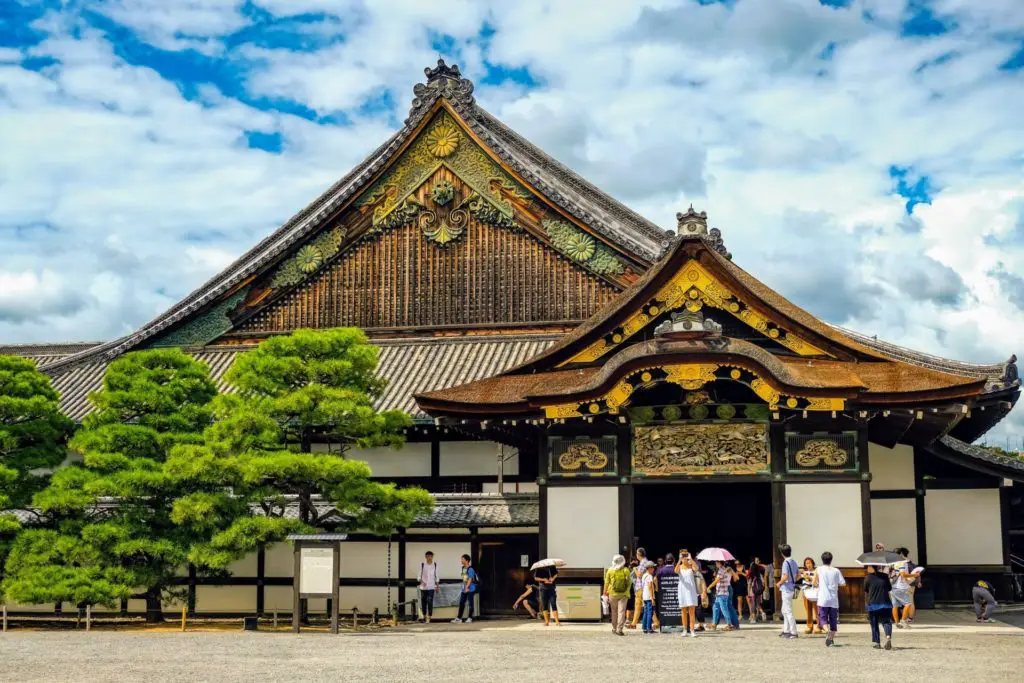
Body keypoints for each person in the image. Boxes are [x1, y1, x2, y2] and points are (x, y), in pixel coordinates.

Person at [812, 551, 846, 647]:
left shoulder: (819, 569)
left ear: (822, 560)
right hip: (834, 600)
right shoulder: (836, 571)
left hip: (823, 598)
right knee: (833, 620)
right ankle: (830, 638)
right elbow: (843, 583)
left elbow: (814, 582)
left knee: (823, 618)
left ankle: (827, 632)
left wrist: (818, 583)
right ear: (831, 560)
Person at [864, 565, 893, 650]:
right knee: (887, 621)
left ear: (871, 567)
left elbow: (866, 590)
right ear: (879, 567)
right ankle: (888, 638)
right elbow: (889, 588)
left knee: (874, 623)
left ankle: (877, 643)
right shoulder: (885, 576)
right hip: (885, 603)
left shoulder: (868, 577)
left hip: (873, 604)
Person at [603, 554, 632, 636]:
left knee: (614, 612)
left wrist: (604, 593)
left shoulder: (610, 570)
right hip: (623, 594)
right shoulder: (626, 570)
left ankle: (614, 628)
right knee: (621, 612)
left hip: (612, 594)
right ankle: (619, 629)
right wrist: (627, 591)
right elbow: (629, 582)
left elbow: (607, 583)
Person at [775, 544, 800, 639]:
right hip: (791, 588)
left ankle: (793, 632)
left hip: (786, 588)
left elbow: (785, 576)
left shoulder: (785, 563)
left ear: (782, 553)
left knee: (788, 611)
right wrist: (792, 581)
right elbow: (798, 575)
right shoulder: (794, 562)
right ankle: (786, 630)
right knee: (784, 610)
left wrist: (779, 583)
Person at [675, 549, 700, 637]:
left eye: (686, 555)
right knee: (683, 611)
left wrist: (691, 559)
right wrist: (679, 560)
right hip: (682, 591)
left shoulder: (691, 565)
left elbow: (697, 569)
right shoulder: (680, 566)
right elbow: (676, 571)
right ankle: (685, 630)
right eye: (683, 555)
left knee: (692, 611)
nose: (684, 557)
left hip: (691, 591)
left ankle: (692, 630)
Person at [706, 560, 735, 631]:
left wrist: (709, 587)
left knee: (724, 609)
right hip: (719, 593)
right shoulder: (720, 570)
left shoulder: (722, 570)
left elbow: (716, 580)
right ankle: (714, 624)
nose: (715, 563)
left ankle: (729, 625)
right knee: (715, 608)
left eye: (716, 562)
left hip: (722, 594)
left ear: (719, 563)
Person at [629, 548, 654, 629]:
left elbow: (639, 575)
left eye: (637, 553)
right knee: (638, 605)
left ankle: (656, 622)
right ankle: (633, 624)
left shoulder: (644, 562)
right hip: (639, 587)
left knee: (646, 606)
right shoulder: (642, 562)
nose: (636, 555)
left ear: (639, 554)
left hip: (641, 587)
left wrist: (635, 569)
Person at [890, 553, 915, 629]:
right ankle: (903, 621)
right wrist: (914, 575)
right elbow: (903, 575)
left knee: (895, 606)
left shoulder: (895, 563)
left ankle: (897, 623)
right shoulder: (901, 563)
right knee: (908, 603)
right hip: (900, 587)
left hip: (894, 587)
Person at [452, 554, 477, 623]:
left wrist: (467, 587)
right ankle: (459, 618)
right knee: (461, 603)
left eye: (462, 559)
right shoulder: (463, 568)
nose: (461, 560)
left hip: (470, 588)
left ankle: (470, 618)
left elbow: (470, 579)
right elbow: (464, 579)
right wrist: (464, 588)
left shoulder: (470, 569)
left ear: (467, 560)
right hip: (464, 588)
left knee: (470, 603)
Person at [800, 557, 821, 634]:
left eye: (809, 563)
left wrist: (810, 578)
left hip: (815, 592)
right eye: (806, 563)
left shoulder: (817, 571)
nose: (808, 565)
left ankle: (819, 626)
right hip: (806, 592)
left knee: (817, 610)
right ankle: (810, 626)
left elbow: (817, 581)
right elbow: (801, 581)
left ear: (813, 563)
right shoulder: (804, 573)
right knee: (808, 610)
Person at [418, 551, 439, 623]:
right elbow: (418, 576)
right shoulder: (422, 565)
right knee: (423, 602)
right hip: (423, 587)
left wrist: (437, 585)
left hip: (431, 586)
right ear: (426, 557)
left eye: (431, 556)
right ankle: (424, 616)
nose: (429, 558)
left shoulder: (435, 565)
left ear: (432, 557)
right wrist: (421, 580)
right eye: (428, 556)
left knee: (430, 601)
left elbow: (436, 576)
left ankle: (429, 616)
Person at [747, 557, 767, 623]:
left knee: (753, 603)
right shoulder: (760, 572)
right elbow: (766, 567)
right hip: (759, 589)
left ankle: (753, 619)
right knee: (757, 603)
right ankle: (762, 613)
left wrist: (748, 593)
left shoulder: (751, 574)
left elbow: (749, 584)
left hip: (753, 589)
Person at [641, 562, 657, 633]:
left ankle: (644, 627)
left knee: (645, 612)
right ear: (649, 568)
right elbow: (650, 587)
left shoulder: (644, 575)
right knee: (650, 612)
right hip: (649, 596)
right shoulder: (650, 576)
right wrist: (652, 598)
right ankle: (649, 628)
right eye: (653, 567)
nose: (654, 569)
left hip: (644, 596)